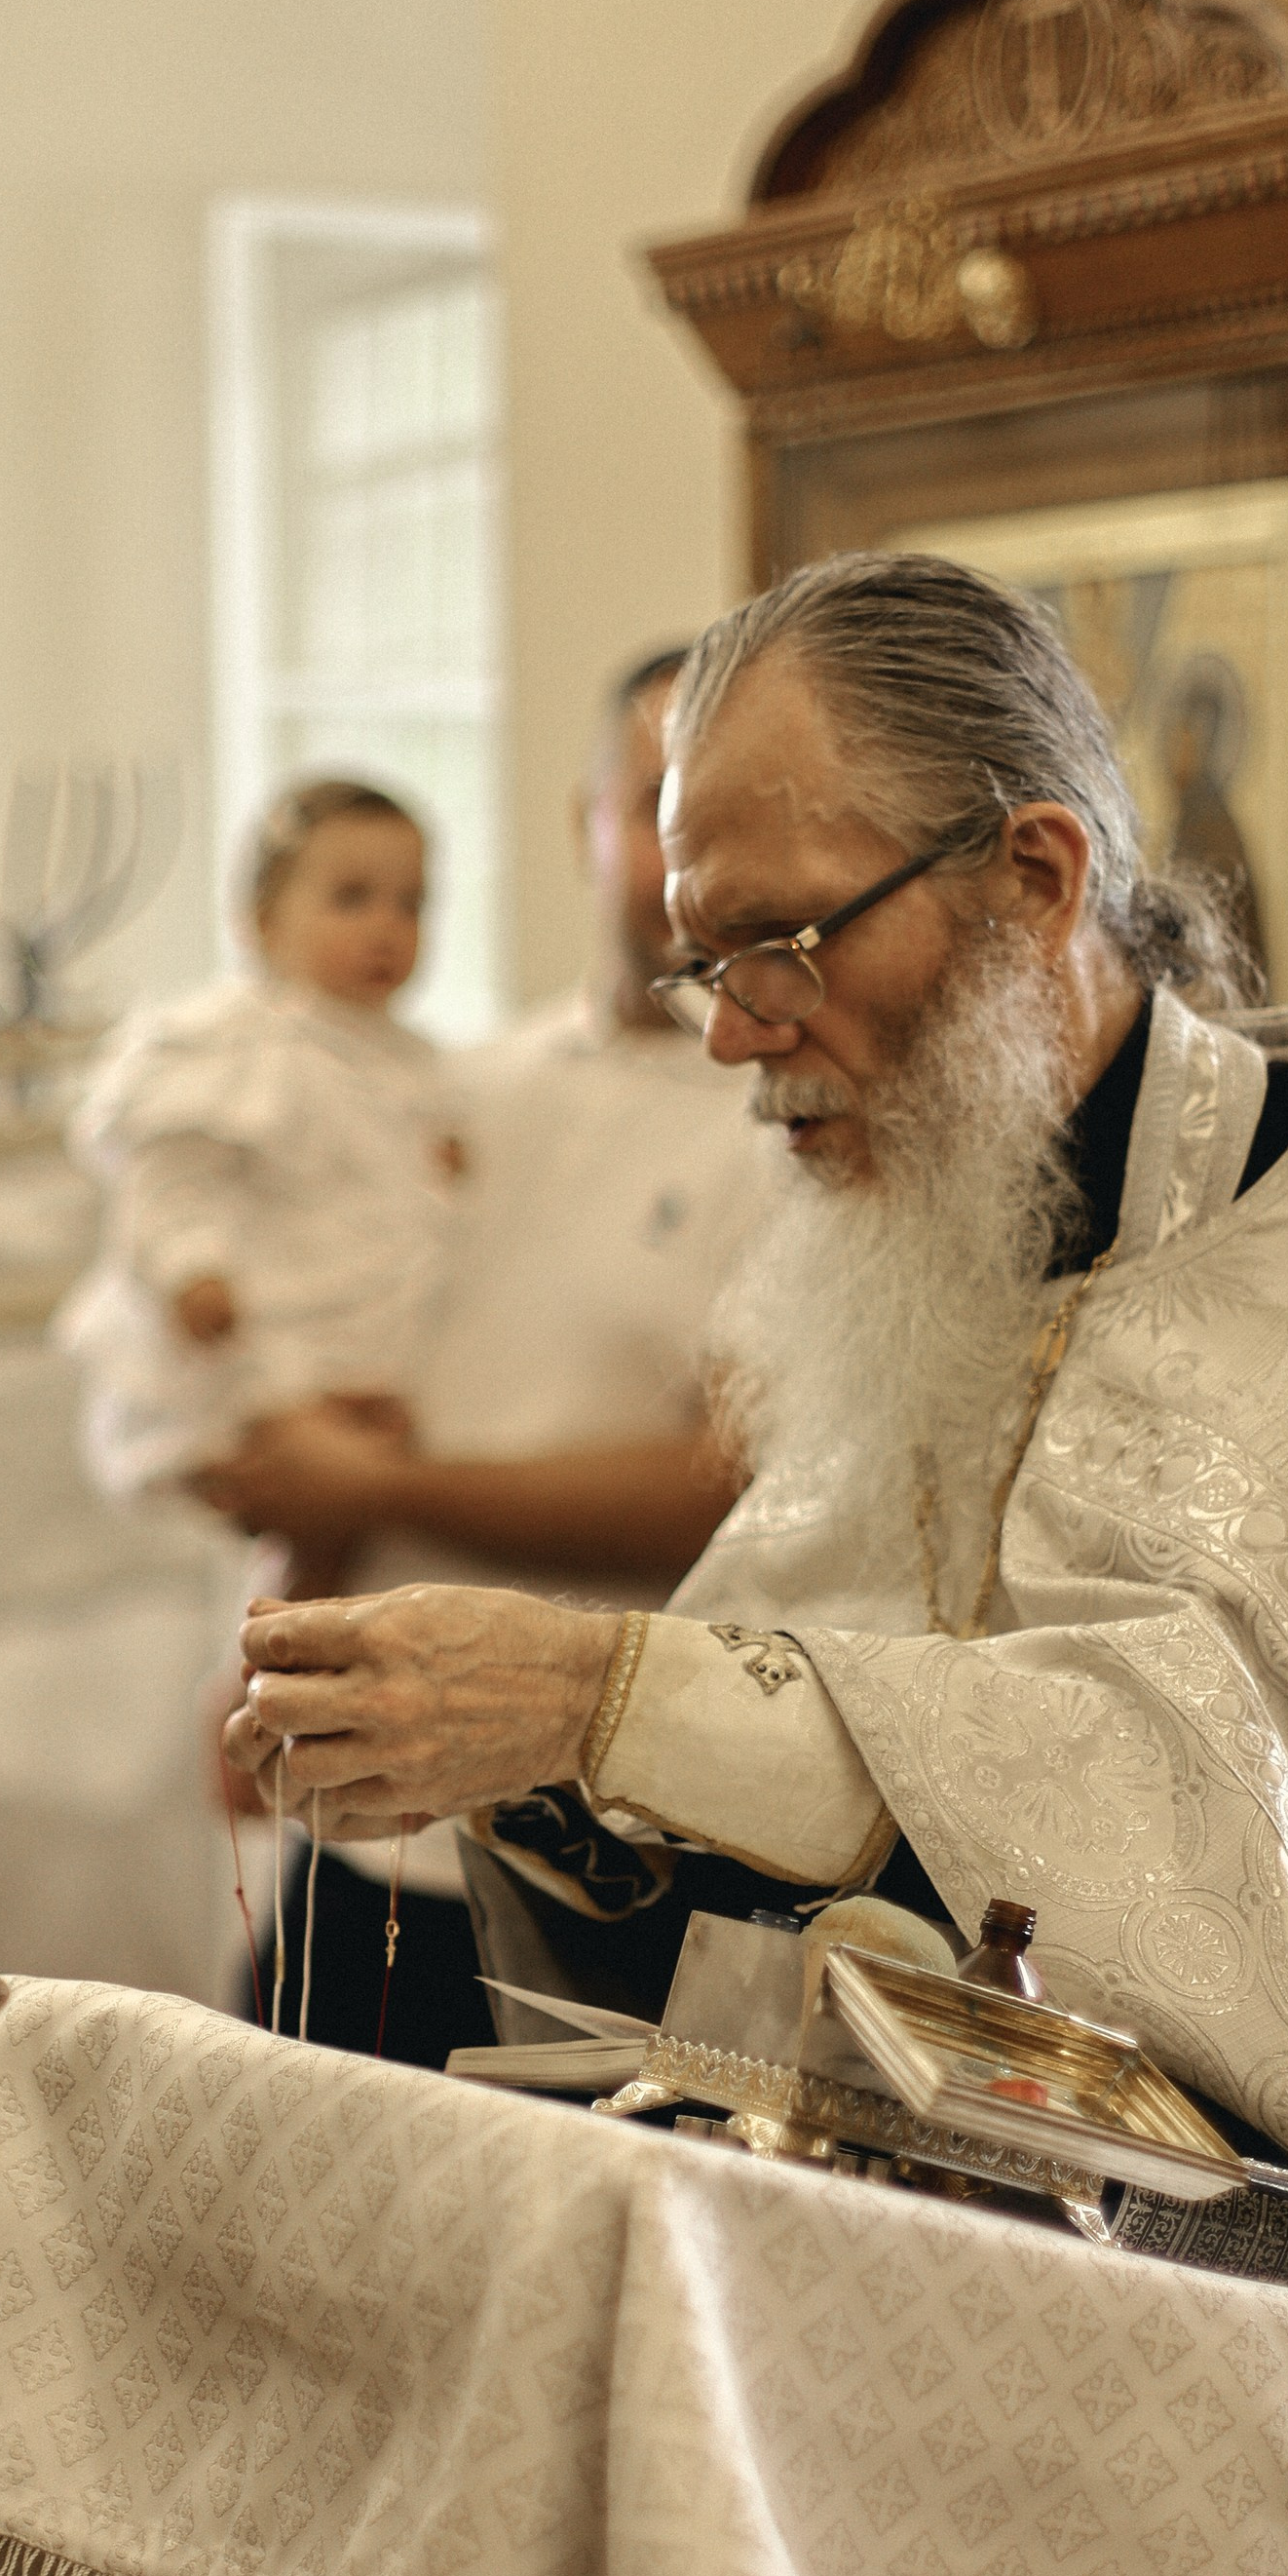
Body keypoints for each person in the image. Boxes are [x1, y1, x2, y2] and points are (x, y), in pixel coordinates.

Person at [223, 552, 1288, 2544]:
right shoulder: (935, 1241)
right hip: (970, 2357)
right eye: (698, 960)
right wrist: (535, 1753)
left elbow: (1194, 1775)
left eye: (783, 940)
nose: (736, 1035)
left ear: (1031, 878)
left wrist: (600, 1689)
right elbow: (797, 1673)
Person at [202, 647, 773, 2060]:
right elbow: (363, 1389)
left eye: (738, 815)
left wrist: (382, 1494)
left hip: (607, 1872)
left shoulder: (791, 1122)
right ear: (581, 816)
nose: (689, 863)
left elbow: (734, 1484)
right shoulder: (457, 1092)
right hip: (361, 1834)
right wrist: (288, 1599)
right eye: (654, 807)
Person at [58, 777, 458, 1573]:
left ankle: (290, 1654)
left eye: (410, 905)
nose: (387, 927)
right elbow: (171, 1175)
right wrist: (188, 1264)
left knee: (360, 1534)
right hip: (259, 1326)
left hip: (365, 1325)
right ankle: (259, 1669)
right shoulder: (237, 1045)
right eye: (352, 899)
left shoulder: (415, 1062)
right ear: (262, 920)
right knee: (288, 1511)